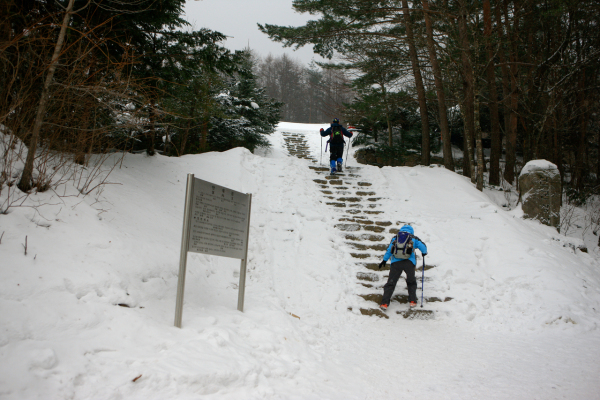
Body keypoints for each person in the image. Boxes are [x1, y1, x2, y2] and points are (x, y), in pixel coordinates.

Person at [378, 225, 428, 310]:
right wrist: (424, 253)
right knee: (411, 281)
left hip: (396, 263)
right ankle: (412, 301)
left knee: (391, 282)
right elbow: (423, 247)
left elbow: (389, 249)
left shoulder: (396, 237)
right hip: (409, 262)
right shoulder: (413, 237)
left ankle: (384, 303)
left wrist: (384, 260)